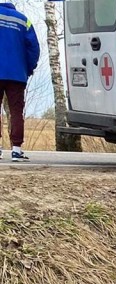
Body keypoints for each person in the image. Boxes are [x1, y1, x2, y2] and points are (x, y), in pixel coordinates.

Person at [0, 1, 40, 163]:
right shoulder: (23, 20)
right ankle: (16, 150)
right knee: (16, 111)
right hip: (17, 74)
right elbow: (34, 48)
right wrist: (28, 68)